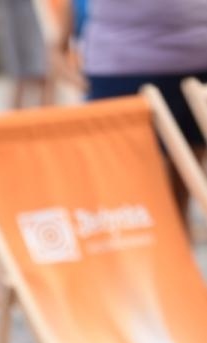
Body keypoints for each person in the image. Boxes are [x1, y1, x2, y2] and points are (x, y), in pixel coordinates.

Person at [82, 0, 207, 220]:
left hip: (196, 55)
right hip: (123, 61)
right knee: (127, 192)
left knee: (183, 183)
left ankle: (177, 244)